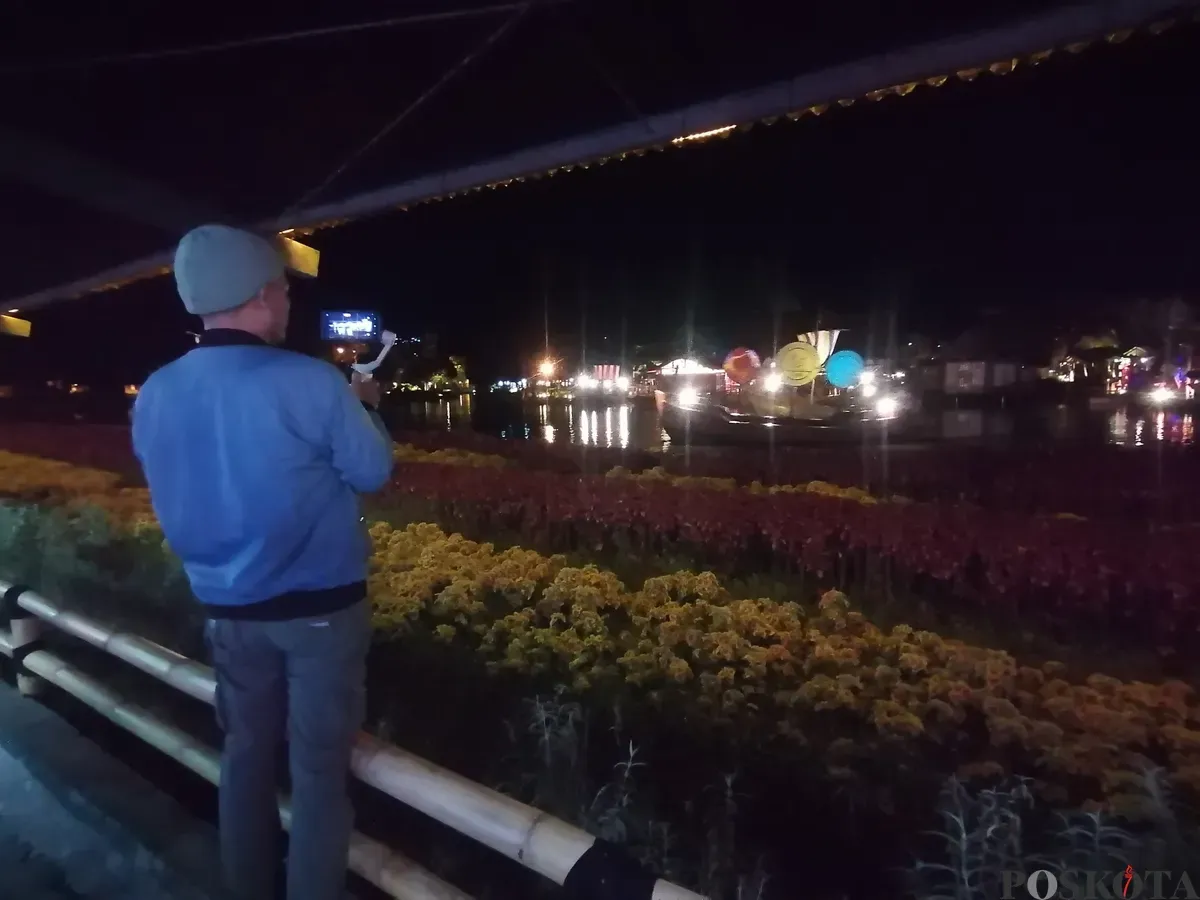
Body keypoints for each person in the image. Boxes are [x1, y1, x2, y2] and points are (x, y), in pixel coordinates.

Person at [131, 224, 394, 900]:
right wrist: (364, 410)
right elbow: (371, 471)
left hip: (225, 611)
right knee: (317, 776)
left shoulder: (157, 390)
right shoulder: (308, 380)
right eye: (281, 291)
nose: (286, 305)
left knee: (244, 760)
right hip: (319, 614)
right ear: (257, 296)